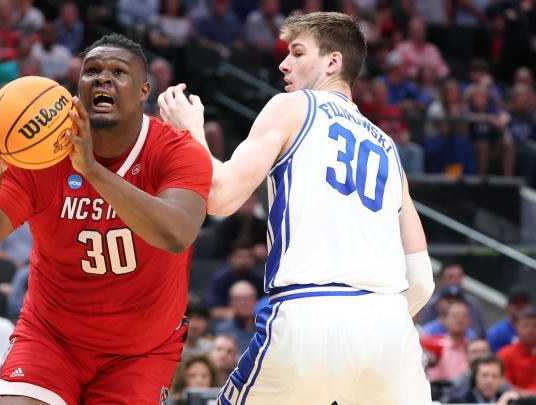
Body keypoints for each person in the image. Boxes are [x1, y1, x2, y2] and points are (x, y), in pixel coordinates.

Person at [159, 11, 435, 404]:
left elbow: (220, 196)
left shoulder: (293, 107)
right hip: (391, 329)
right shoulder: (389, 148)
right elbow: (422, 280)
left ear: (332, 62)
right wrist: (371, 327)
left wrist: (191, 131)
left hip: (312, 314)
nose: (283, 63)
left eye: (297, 52)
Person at [0, 33, 212, 405]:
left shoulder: (176, 151)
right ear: (76, 90)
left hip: (140, 350)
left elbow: (177, 233)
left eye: (118, 72)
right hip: (51, 337)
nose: (103, 78)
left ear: (143, 92)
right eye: (92, 71)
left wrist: (91, 170)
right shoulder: (39, 154)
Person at [207, 242, 263, 319]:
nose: (244, 261)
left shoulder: (260, 279)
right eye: (240, 257)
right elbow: (214, 310)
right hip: (230, 321)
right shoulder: (220, 280)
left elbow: (267, 304)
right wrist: (240, 312)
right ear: (230, 258)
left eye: (249, 257)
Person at [426, 300, 472, 381]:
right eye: (454, 316)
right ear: (444, 320)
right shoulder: (432, 344)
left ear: (470, 321)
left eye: (463, 316)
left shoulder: (475, 347)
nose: (459, 320)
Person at [447, 355, 519, 404]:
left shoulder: (509, 401)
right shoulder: (458, 401)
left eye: (495, 376)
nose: (489, 381)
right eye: (484, 375)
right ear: (475, 377)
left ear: (501, 380)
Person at [498, 306, 536, 395]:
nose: (530, 330)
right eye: (525, 325)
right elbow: (504, 387)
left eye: (535, 325)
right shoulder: (505, 354)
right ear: (516, 328)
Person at [213, 281, 258, 354]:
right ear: (231, 303)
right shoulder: (223, 329)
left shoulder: (265, 328)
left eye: (249, 298)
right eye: (239, 299)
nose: (245, 303)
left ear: (256, 301)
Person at [488, 286, 532, 353]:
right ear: (507, 306)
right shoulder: (497, 332)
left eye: (524, 302)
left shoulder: (533, 331)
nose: (520, 306)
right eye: (516, 303)